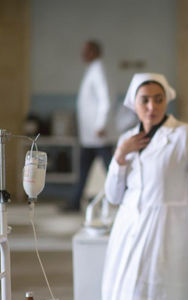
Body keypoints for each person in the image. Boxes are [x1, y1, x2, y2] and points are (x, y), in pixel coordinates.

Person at [100, 73, 188, 300]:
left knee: (159, 293)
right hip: (128, 225)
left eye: (158, 99)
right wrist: (120, 156)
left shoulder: (186, 135)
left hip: (167, 225)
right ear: (134, 103)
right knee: (124, 291)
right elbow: (113, 196)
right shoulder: (126, 140)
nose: (151, 106)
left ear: (167, 101)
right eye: (144, 100)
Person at [67, 40, 113, 212]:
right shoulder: (93, 70)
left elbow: (105, 99)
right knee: (84, 169)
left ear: (94, 52)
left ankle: (127, 199)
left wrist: (101, 124)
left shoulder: (98, 70)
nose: (82, 54)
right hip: (90, 135)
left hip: (98, 134)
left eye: (86, 51)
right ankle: (75, 202)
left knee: (112, 170)